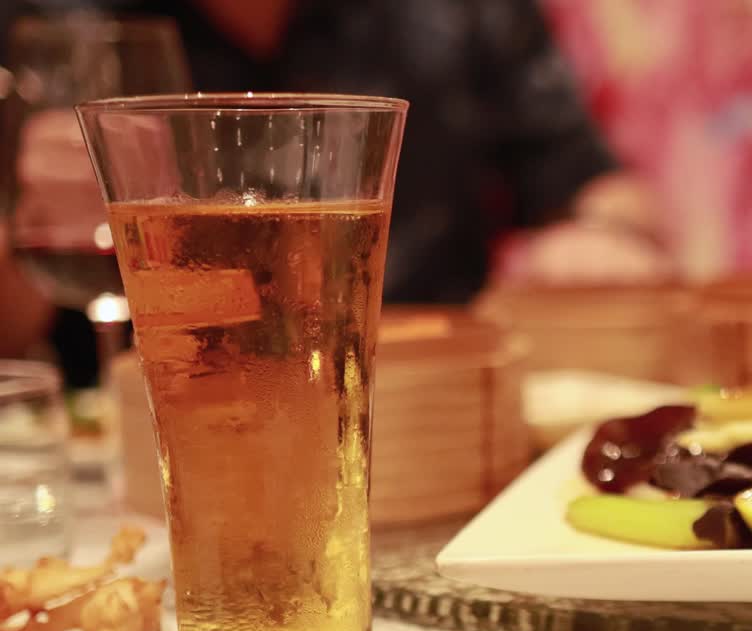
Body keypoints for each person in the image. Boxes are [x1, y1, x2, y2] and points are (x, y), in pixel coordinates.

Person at [0, 0, 665, 367]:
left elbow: (590, 178)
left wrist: (607, 235)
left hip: (415, 400)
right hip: (135, 431)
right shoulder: (49, 19)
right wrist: (23, 223)